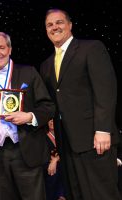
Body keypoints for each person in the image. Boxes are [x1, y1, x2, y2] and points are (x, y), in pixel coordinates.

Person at [40, 9, 120, 200]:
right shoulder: (46, 64)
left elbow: (105, 91)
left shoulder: (91, 48)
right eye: (49, 25)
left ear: (70, 25)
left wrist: (103, 129)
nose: (54, 27)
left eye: (59, 22)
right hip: (66, 143)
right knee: (76, 194)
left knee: (102, 194)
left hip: (94, 140)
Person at [0, 31, 55, 200]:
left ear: (9, 49)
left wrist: (30, 117)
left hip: (27, 151)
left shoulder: (28, 73)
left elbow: (48, 106)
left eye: (1, 47)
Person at [44, 119, 65, 200]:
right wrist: (52, 160)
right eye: (50, 120)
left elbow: (66, 151)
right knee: (53, 171)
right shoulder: (43, 136)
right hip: (47, 164)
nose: (52, 122)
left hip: (61, 163)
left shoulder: (63, 136)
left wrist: (55, 160)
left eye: (54, 120)